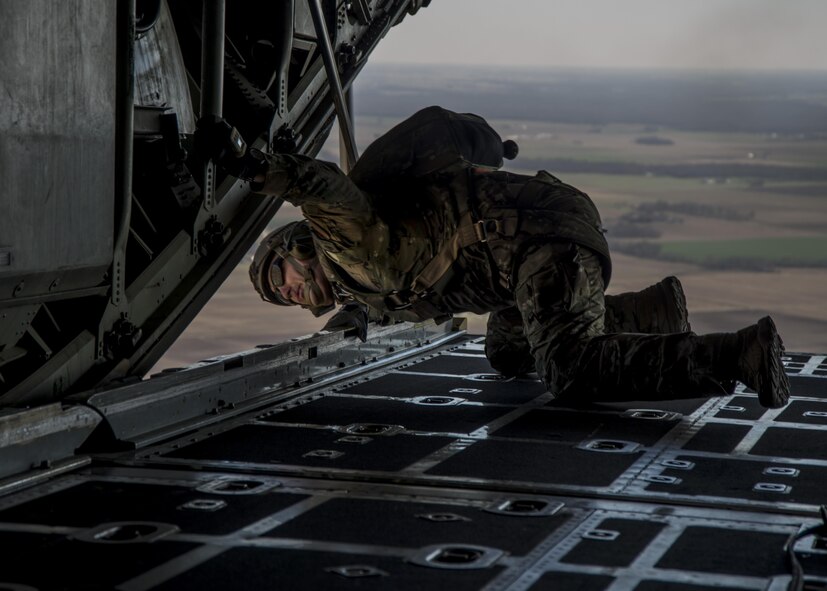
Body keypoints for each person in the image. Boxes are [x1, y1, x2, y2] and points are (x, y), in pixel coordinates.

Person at [225, 107, 790, 409]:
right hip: (532, 243)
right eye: (280, 297)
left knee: (569, 369)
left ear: (298, 246)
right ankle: (650, 314)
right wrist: (355, 318)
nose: (289, 291)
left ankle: (740, 354)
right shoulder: (363, 280)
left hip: (539, 242)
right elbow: (388, 298)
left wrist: (251, 166)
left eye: (281, 274)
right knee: (506, 350)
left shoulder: (342, 239)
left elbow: (319, 186)